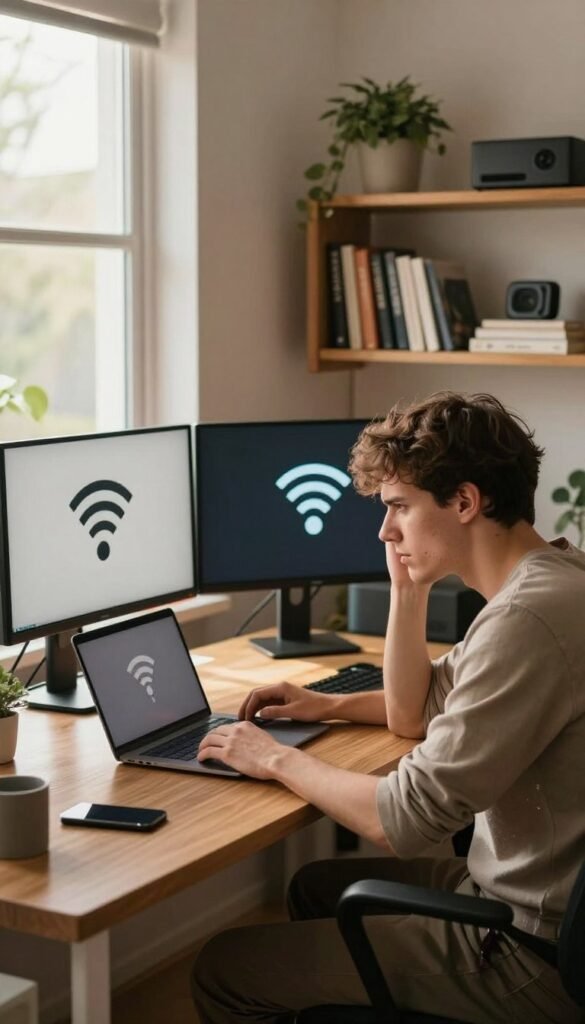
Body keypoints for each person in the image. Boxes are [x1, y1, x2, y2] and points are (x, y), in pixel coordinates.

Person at [192, 391, 585, 1024]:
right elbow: (414, 712)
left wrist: (272, 759)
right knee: (316, 886)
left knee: (226, 967)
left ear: (464, 502)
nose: (384, 530)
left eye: (399, 507)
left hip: (531, 949)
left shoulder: (526, 620)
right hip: (521, 895)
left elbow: (403, 820)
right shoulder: (554, 578)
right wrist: (397, 603)